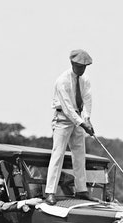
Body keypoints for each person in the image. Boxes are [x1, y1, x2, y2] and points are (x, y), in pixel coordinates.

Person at [45, 49, 95, 205]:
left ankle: (81, 190)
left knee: (80, 155)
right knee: (58, 154)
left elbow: (87, 101)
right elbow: (67, 107)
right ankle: (50, 192)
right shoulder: (62, 81)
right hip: (62, 119)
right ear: (73, 63)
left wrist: (87, 118)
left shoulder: (85, 79)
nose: (83, 69)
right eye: (80, 66)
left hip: (78, 118)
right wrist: (82, 123)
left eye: (85, 66)